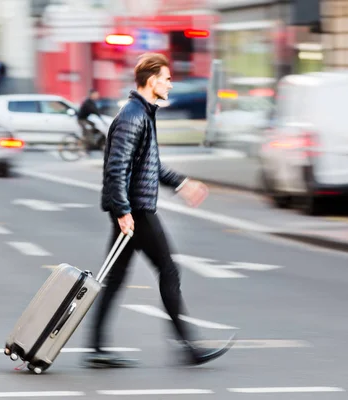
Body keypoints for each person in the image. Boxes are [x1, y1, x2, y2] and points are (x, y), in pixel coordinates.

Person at [82, 53, 234, 368]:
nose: (170, 82)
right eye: (166, 78)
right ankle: (188, 346)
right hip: (136, 210)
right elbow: (116, 167)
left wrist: (182, 183)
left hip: (132, 207)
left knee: (116, 277)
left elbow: (148, 166)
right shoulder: (133, 115)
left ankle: (96, 347)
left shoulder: (141, 113)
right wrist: (124, 211)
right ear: (151, 81)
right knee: (168, 270)